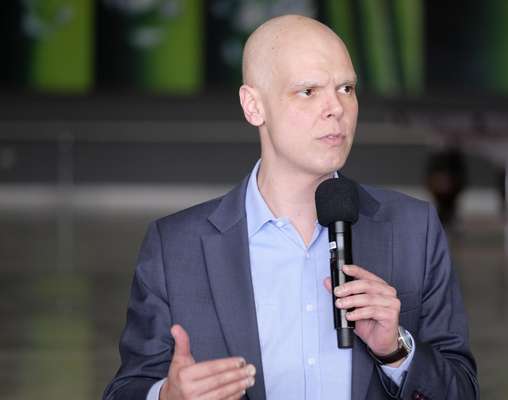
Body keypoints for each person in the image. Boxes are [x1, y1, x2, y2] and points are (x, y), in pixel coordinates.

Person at [103, 14, 478, 400]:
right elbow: (126, 389)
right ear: (253, 106)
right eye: (308, 91)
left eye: (347, 88)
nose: (336, 108)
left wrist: (397, 352)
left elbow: (462, 390)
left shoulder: (414, 229)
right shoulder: (175, 247)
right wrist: (168, 397)